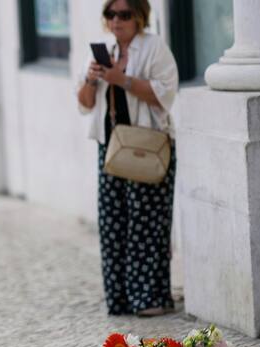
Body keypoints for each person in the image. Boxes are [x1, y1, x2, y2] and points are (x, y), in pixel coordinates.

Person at [77, 0, 178, 317]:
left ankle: (149, 298)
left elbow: (166, 92)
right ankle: (120, 299)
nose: (116, 20)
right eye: (110, 14)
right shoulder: (103, 49)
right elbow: (84, 103)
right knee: (113, 224)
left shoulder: (154, 47)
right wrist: (92, 79)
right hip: (111, 147)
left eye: (124, 14)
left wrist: (123, 80)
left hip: (146, 145)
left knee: (147, 224)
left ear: (139, 16)